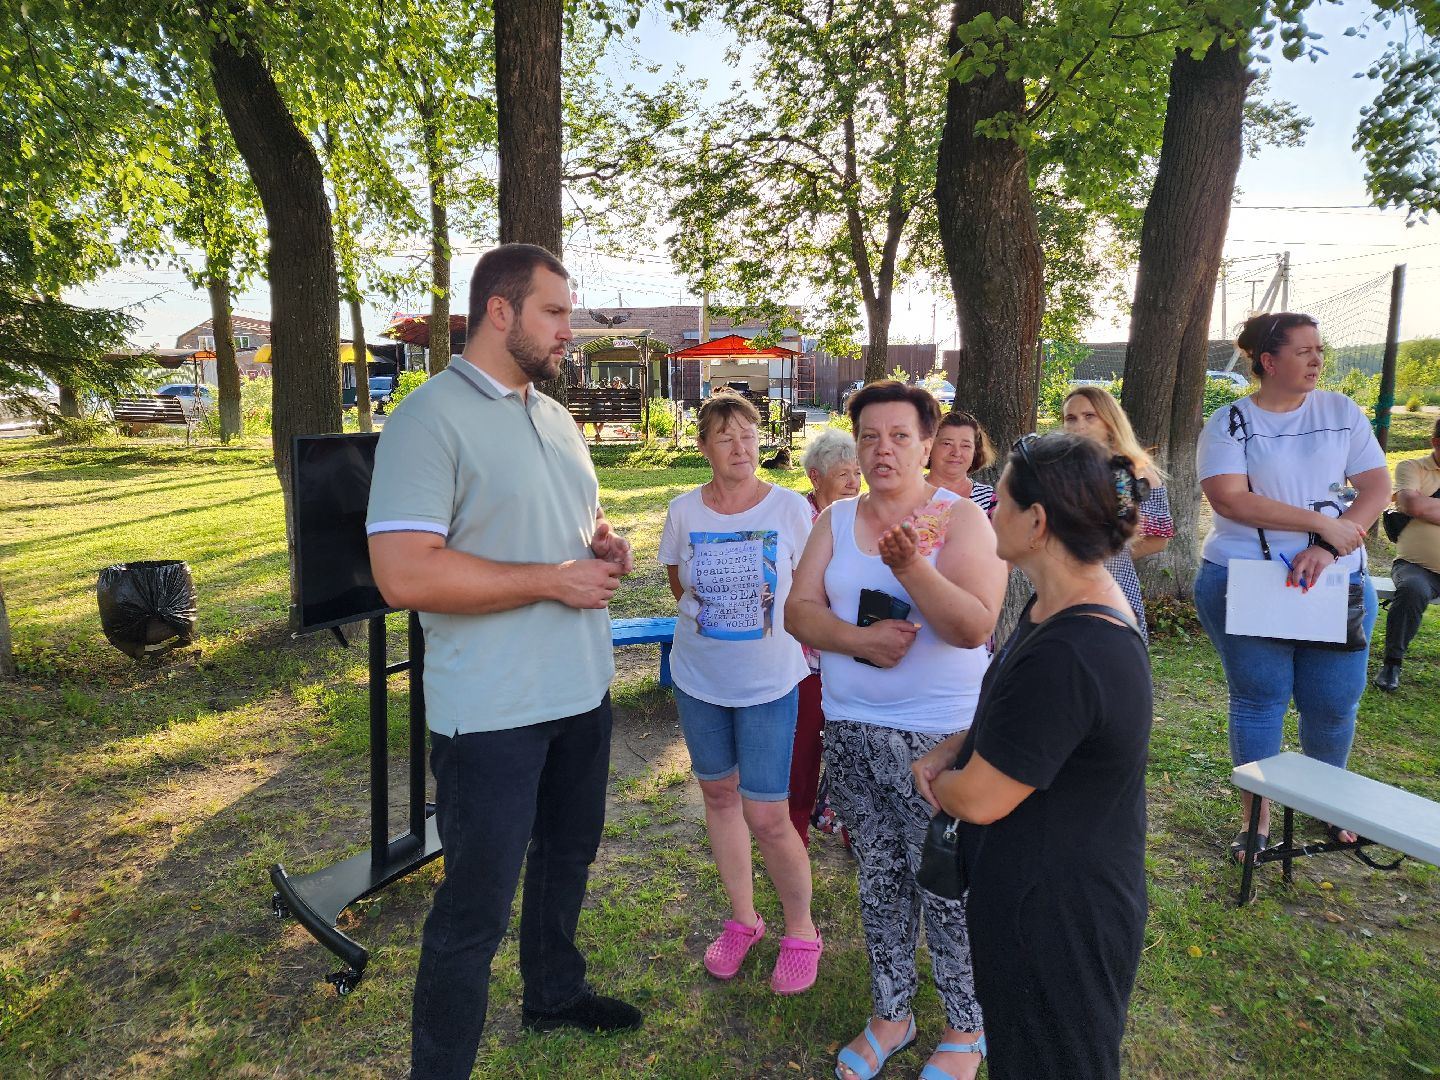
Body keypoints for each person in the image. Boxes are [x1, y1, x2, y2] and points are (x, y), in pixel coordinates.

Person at [366, 244, 641, 1080]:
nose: (569, 332)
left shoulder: (552, 414)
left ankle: (553, 994)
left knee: (567, 860)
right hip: (489, 715)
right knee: (473, 911)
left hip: (580, 690)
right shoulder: (427, 418)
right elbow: (404, 572)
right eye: (554, 313)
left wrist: (600, 544)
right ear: (499, 312)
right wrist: (550, 582)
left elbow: (573, 521)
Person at [912, 432, 1153, 1080]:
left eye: (1004, 502)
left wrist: (938, 779)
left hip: (1059, 918)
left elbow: (983, 800)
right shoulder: (1055, 605)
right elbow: (1022, 720)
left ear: (1038, 521)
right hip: (1035, 892)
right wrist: (960, 744)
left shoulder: (1076, 648)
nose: (991, 512)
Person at [786, 381, 1007, 1080]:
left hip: (936, 742)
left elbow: (975, 625)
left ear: (927, 442)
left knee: (946, 884)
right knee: (879, 879)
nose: (883, 450)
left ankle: (966, 1030)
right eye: (870, 437)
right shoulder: (835, 520)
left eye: (899, 436)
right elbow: (799, 611)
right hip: (853, 732)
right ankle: (892, 1013)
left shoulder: (962, 518)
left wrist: (912, 566)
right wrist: (860, 640)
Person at [1194, 312, 1390, 859]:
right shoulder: (1230, 421)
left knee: (1332, 703)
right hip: (1245, 578)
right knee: (1260, 701)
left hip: (1334, 581)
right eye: (1303, 351)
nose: (1316, 360)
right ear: (1268, 361)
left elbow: (1377, 486)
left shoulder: (1340, 411)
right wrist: (1320, 521)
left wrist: (1327, 545)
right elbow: (1229, 497)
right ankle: (1255, 820)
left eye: (1319, 350)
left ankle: (1328, 806)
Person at [658, 394, 823, 994]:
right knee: (720, 799)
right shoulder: (682, 511)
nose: (741, 447)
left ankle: (801, 932)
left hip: (769, 683)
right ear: (704, 447)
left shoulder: (789, 509)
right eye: (726, 437)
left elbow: (811, 586)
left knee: (769, 816)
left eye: (750, 435)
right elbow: (679, 581)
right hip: (699, 681)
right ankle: (744, 921)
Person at [789, 428, 862, 845]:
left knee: (853, 750)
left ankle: (854, 828)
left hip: (852, 656)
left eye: (856, 473)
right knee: (804, 751)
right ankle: (795, 828)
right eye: (843, 475)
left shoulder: (863, 518)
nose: (853, 482)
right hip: (807, 658)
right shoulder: (797, 514)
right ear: (815, 477)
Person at [1061, 385, 1174, 641]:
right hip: (1059, 587)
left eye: (1090, 416)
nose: (1079, 425)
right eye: (1071, 418)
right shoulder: (1060, 469)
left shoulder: (1136, 471)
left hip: (1111, 587)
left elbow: (1159, 540)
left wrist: (1102, 558)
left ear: (1109, 421)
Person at [1374, 415, 1440, 691]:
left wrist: (1427, 508)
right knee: (1412, 589)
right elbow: (1412, 505)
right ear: (1436, 442)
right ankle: (1392, 663)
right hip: (1416, 565)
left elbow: (1423, 507)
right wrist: (1420, 506)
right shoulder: (1412, 468)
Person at [925, 410, 995, 514]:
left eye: (965, 446)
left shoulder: (990, 501)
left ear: (975, 451)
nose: (956, 453)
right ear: (929, 447)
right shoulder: (905, 493)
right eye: (947, 444)